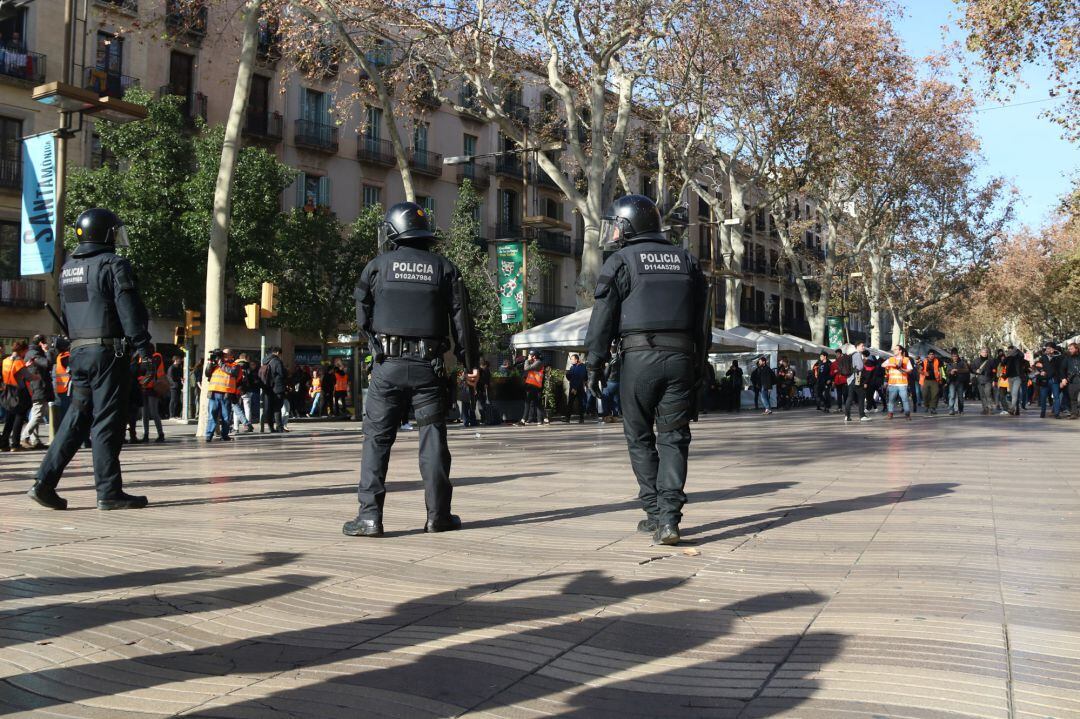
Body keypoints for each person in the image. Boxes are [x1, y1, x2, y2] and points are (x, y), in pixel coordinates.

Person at [344, 201, 479, 538]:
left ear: (393, 231)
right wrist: (469, 362)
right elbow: (462, 321)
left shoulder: (377, 267)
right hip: (429, 369)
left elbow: (362, 312)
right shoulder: (444, 268)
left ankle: (370, 518)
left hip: (387, 368)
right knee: (432, 439)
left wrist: (377, 347)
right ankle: (438, 516)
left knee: (376, 440)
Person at [584, 194, 708, 546]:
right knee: (674, 439)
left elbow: (602, 319)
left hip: (638, 360)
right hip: (682, 358)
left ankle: (653, 513)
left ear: (627, 225)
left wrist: (594, 364)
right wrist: (699, 367)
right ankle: (669, 519)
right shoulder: (687, 259)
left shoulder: (621, 260)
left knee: (639, 437)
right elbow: (703, 323)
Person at [29, 208, 153, 511]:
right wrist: (144, 348)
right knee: (108, 421)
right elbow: (129, 310)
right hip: (109, 353)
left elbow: (70, 316)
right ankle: (109, 492)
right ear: (105, 234)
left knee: (75, 419)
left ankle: (44, 483)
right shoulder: (114, 264)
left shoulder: (69, 268)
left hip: (80, 353)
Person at [19, 334, 53, 449]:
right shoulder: (35, 353)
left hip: (37, 387)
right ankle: (24, 437)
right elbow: (48, 364)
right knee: (38, 414)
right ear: (41, 343)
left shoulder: (32, 352)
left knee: (35, 413)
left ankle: (35, 440)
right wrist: (47, 351)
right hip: (38, 387)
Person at [204, 348, 240, 441]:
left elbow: (232, 372)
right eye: (222, 354)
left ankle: (224, 435)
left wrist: (220, 363)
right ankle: (208, 435)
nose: (223, 355)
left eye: (225, 354)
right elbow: (207, 373)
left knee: (226, 416)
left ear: (231, 355)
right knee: (212, 415)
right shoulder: (216, 364)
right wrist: (210, 363)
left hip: (226, 393)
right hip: (213, 392)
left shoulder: (235, 365)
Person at [1, 340, 30, 452]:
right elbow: (28, 376)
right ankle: (15, 444)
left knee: (9, 418)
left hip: (7, 391)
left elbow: (12, 372)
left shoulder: (5, 360)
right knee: (19, 417)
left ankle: (3, 443)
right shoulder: (19, 362)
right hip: (19, 393)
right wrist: (37, 376)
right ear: (22, 350)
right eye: (25, 351)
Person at [136, 349, 166, 442]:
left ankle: (160, 434)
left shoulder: (156, 356)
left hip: (153, 388)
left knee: (153, 412)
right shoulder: (142, 358)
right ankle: (146, 435)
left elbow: (151, 369)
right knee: (144, 414)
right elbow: (140, 371)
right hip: (144, 388)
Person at [882, 344, 914, 420]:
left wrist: (902, 369)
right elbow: (882, 365)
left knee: (905, 399)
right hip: (892, 383)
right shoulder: (891, 359)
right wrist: (892, 364)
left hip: (902, 383)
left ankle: (907, 414)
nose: (894, 350)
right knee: (891, 400)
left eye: (896, 349)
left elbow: (910, 370)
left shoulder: (906, 359)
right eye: (894, 349)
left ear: (900, 351)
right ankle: (890, 414)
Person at [262, 347, 288, 432]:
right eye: (280, 354)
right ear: (277, 352)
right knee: (277, 408)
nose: (281, 356)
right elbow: (282, 374)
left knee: (270, 408)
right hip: (278, 387)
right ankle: (279, 427)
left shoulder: (265, 361)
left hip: (268, 387)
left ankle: (271, 427)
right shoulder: (277, 361)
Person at [842, 342, 868, 422]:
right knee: (861, 396)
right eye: (862, 346)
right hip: (856, 377)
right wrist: (863, 362)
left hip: (850, 379)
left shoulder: (851, 354)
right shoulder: (857, 354)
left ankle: (847, 416)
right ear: (857, 347)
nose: (863, 347)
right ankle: (862, 415)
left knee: (850, 397)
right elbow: (859, 367)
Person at [519, 350, 545, 425]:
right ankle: (542, 420)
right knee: (537, 403)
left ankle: (523, 420)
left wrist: (527, 360)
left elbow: (526, 368)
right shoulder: (535, 362)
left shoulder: (538, 362)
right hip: (532, 385)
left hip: (534, 385)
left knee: (528, 402)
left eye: (531, 355)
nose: (529, 356)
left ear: (534, 356)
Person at [53, 337, 72, 426]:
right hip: (67, 389)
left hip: (61, 389)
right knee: (66, 414)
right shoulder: (66, 357)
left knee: (63, 413)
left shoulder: (60, 356)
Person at [969, 348, 994, 415]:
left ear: (987, 353)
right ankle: (985, 409)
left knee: (988, 394)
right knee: (982, 395)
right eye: (983, 352)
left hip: (988, 380)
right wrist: (975, 371)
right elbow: (971, 369)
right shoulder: (976, 361)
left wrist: (994, 379)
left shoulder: (990, 361)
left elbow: (994, 370)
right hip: (979, 380)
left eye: (986, 352)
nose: (984, 353)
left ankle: (990, 408)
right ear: (980, 353)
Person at [564, 353, 587, 423]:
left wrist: (575, 388)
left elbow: (580, 378)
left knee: (580, 403)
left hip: (578, 388)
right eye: (570, 359)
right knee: (570, 403)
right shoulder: (572, 367)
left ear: (576, 360)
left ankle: (581, 418)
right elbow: (571, 377)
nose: (571, 360)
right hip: (573, 387)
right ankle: (567, 418)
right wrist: (567, 374)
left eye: (572, 359)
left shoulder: (582, 366)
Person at [920, 349, 944, 415]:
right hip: (926, 380)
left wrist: (941, 379)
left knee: (935, 394)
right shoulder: (924, 361)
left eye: (933, 354)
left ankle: (933, 408)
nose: (931, 356)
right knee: (925, 394)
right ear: (928, 355)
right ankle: (926, 405)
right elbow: (919, 370)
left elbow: (940, 370)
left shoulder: (938, 361)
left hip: (935, 380)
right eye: (930, 354)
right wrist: (924, 373)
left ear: (934, 355)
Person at [1062, 342, 1080, 419]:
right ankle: (1074, 414)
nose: (1070, 350)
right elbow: (1062, 369)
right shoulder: (1067, 358)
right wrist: (1063, 378)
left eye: (1071, 349)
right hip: (1072, 380)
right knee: (1073, 398)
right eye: (1069, 349)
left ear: (1076, 349)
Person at [167, 355, 184, 419]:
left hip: (178, 386)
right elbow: (171, 378)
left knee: (177, 400)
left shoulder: (178, 367)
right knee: (173, 400)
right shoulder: (171, 368)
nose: (180, 361)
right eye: (179, 359)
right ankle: (171, 415)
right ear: (175, 360)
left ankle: (175, 414)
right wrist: (180, 379)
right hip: (173, 386)